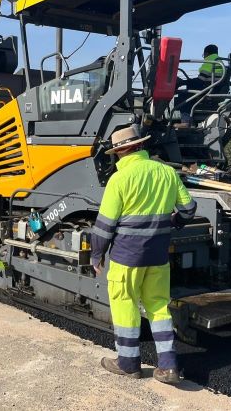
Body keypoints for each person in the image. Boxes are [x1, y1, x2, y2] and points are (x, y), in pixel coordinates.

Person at [91, 125, 196, 384]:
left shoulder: (120, 179)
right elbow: (189, 209)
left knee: (125, 304)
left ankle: (128, 363)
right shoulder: (166, 172)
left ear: (122, 151)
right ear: (140, 146)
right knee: (159, 307)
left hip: (127, 257)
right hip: (158, 256)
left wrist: (96, 255)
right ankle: (169, 367)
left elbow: (104, 226)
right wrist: (173, 222)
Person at [177, 44, 225, 127]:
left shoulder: (210, 61)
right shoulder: (219, 61)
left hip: (208, 89)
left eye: (204, 55)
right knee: (190, 90)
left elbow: (201, 79)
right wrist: (187, 82)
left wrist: (183, 82)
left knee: (183, 95)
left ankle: (185, 122)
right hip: (214, 88)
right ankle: (190, 122)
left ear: (206, 53)